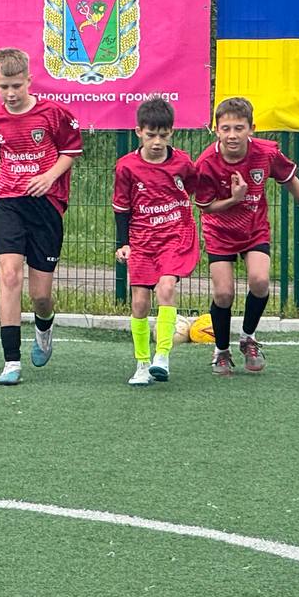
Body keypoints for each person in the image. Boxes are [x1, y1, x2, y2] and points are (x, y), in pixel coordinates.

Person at [192, 96, 299, 376]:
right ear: (216, 130)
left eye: (239, 128)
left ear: (251, 128)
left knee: (259, 281)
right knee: (224, 293)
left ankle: (248, 338)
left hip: (254, 229)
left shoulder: (266, 153)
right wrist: (235, 199)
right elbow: (205, 206)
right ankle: (221, 351)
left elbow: (291, 180)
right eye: (226, 128)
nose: (232, 135)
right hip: (219, 231)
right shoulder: (207, 163)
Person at [0, 47, 82, 386]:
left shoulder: (53, 114)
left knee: (40, 296)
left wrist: (49, 177)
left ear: (29, 81)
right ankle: (11, 360)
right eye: (4, 87)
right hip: (8, 202)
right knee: (9, 275)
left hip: (45, 206)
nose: (11, 93)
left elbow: (70, 151)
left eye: (17, 86)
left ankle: (44, 325)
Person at [112, 97, 199, 386]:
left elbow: (196, 188)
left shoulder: (182, 163)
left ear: (171, 132)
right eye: (151, 135)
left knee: (166, 288)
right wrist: (123, 243)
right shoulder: (126, 167)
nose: (157, 142)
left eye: (163, 135)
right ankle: (142, 363)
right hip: (142, 240)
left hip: (175, 235)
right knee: (139, 303)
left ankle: (162, 356)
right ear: (139, 132)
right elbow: (121, 208)